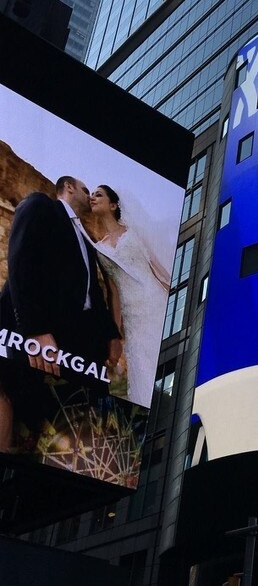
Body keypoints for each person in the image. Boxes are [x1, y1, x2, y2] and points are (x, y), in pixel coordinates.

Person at [0, 176, 122, 449]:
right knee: (23, 410)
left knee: (76, 423)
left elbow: (93, 294)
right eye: (86, 189)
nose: (90, 196)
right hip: (39, 338)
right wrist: (35, 330)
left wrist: (111, 335)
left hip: (79, 348)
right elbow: (21, 259)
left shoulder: (86, 240)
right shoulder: (41, 205)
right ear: (68, 187)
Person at [90, 185, 170, 407]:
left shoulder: (133, 232)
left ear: (113, 205)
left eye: (98, 194)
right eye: (91, 195)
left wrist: (177, 296)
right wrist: (115, 333)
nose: (92, 198)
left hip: (155, 302)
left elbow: (155, 268)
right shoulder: (98, 248)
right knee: (142, 368)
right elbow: (113, 291)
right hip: (131, 315)